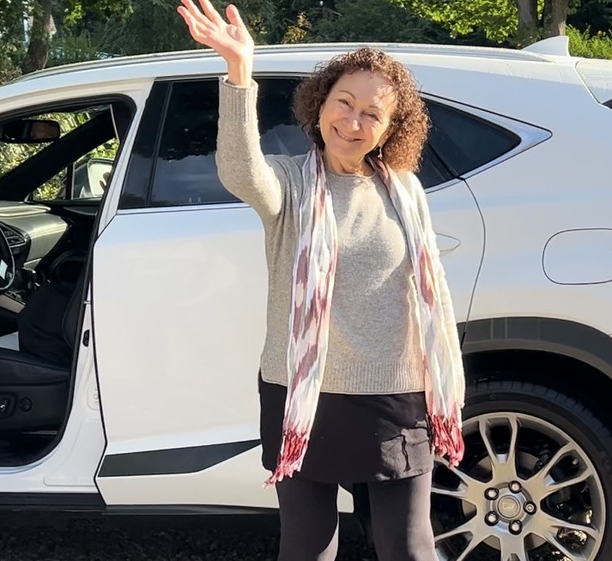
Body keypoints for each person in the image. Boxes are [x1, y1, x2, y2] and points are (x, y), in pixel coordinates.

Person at [176, 1, 468, 560]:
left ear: (391, 128)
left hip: (394, 392)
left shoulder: (405, 190)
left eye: (372, 114)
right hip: (302, 393)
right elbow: (240, 170)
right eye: (344, 103)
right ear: (321, 103)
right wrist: (240, 71)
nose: (353, 123)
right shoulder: (289, 184)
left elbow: (426, 293)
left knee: (408, 548)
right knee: (308, 548)